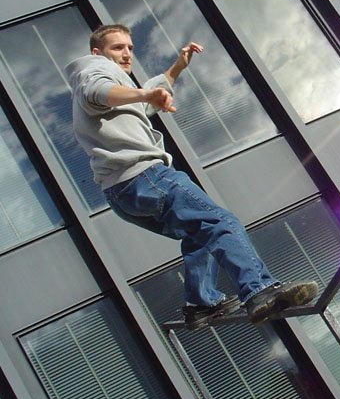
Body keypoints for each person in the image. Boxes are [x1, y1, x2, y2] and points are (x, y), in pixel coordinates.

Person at [67, 24, 317, 329]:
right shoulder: (92, 70)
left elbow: (141, 102)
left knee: (198, 233)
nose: (126, 54)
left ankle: (201, 303)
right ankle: (259, 290)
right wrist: (145, 91)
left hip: (123, 194)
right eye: (118, 48)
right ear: (98, 52)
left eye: (130, 48)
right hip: (147, 177)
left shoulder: (120, 94)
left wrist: (176, 69)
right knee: (220, 222)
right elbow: (98, 92)